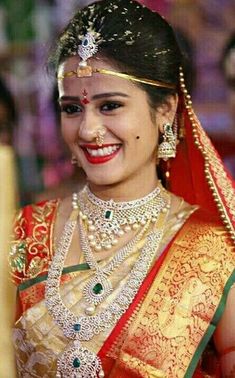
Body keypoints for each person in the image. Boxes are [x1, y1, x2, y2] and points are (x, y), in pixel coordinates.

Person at [9, 1, 235, 377]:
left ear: (165, 109)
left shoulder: (215, 252)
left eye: (110, 105)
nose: (87, 130)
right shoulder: (23, 236)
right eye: (72, 109)